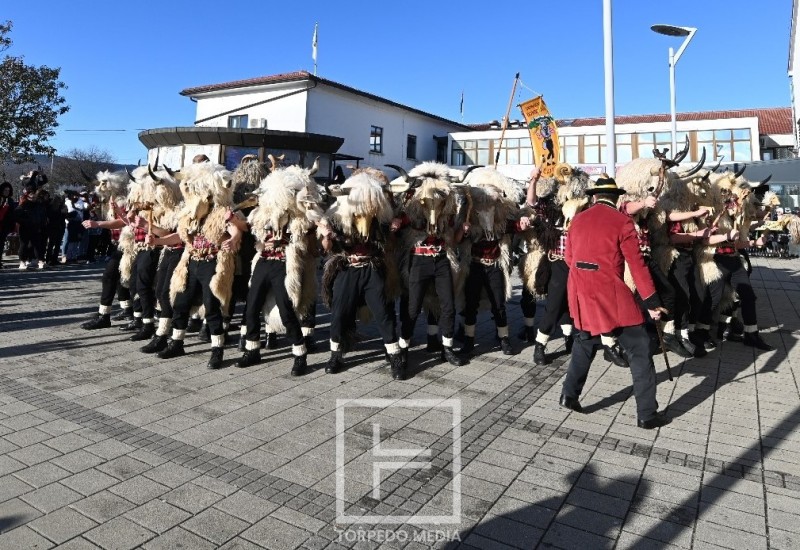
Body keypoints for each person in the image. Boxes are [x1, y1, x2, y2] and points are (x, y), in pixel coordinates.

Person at [559, 175, 669, 430]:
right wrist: (652, 301)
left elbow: (569, 258)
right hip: (610, 293)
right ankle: (647, 414)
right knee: (640, 348)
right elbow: (638, 265)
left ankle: (569, 395)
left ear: (595, 197)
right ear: (617, 198)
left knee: (584, 341)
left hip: (580, 292)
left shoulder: (577, 220)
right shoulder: (623, 222)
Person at [0, 182, 17, 268]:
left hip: (5, 225)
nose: (7, 192)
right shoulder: (1, 199)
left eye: (8, 190)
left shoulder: (10, 200)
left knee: (1, 243)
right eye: (5, 190)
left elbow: (12, 213)